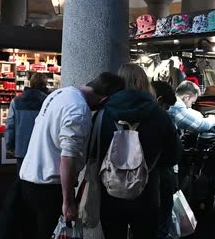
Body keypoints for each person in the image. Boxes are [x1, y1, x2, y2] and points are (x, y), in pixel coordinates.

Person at [19, 72, 125, 239]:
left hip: (28, 179)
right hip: (49, 185)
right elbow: (67, 157)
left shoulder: (60, 93)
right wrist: (68, 202)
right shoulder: (80, 109)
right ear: (104, 100)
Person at [98, 64, 182, 238]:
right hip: (147, 191)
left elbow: (93, 151)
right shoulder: (159, 114)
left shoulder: (103, 112)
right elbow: (173, 155)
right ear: (145, 83)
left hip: (110, 190)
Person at [151, 81, 180, 239]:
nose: (166, 110)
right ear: (160, 99)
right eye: (166, 106)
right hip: (160, 175)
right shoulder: (162, 118)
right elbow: (175, 153)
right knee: (161, 224)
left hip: (128, 178)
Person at [5, 73, 48, 173]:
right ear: (45, 84)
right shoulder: (47, 101)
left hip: (21, 148)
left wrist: (9, 146)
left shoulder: (16, 101)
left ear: (31, 83)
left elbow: (10, 126)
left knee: (22, 177)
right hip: (41, 148)